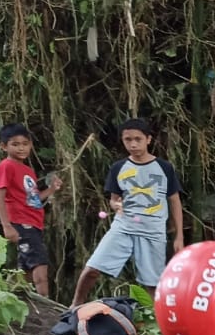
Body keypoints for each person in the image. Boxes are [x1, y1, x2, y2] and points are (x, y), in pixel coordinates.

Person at [71, 118, 185, 306]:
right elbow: (114, 199)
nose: (133, 144)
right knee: (92, 268)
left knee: (152, 283)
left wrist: (179, 236)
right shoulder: (118, 167)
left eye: (138, 139)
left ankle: (153, 321)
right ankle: (74, 305)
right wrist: (115, 205)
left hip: (153, 230)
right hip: (123, 226)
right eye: (128, 139)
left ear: (148, 139)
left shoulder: (164, 168)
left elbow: (174, 201)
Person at [0, 123, 59, 298]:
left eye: (25, 143)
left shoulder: (27, 170)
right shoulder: (6, 166)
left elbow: (33, 199)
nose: (21, 148)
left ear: (30, 145)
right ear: (4, 146)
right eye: (15, 144)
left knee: (26, 272)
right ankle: (48, 305)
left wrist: (51, 190)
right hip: (21, 223)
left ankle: (2, 296)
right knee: (40, 266)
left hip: (33, 223)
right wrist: (6, 225)